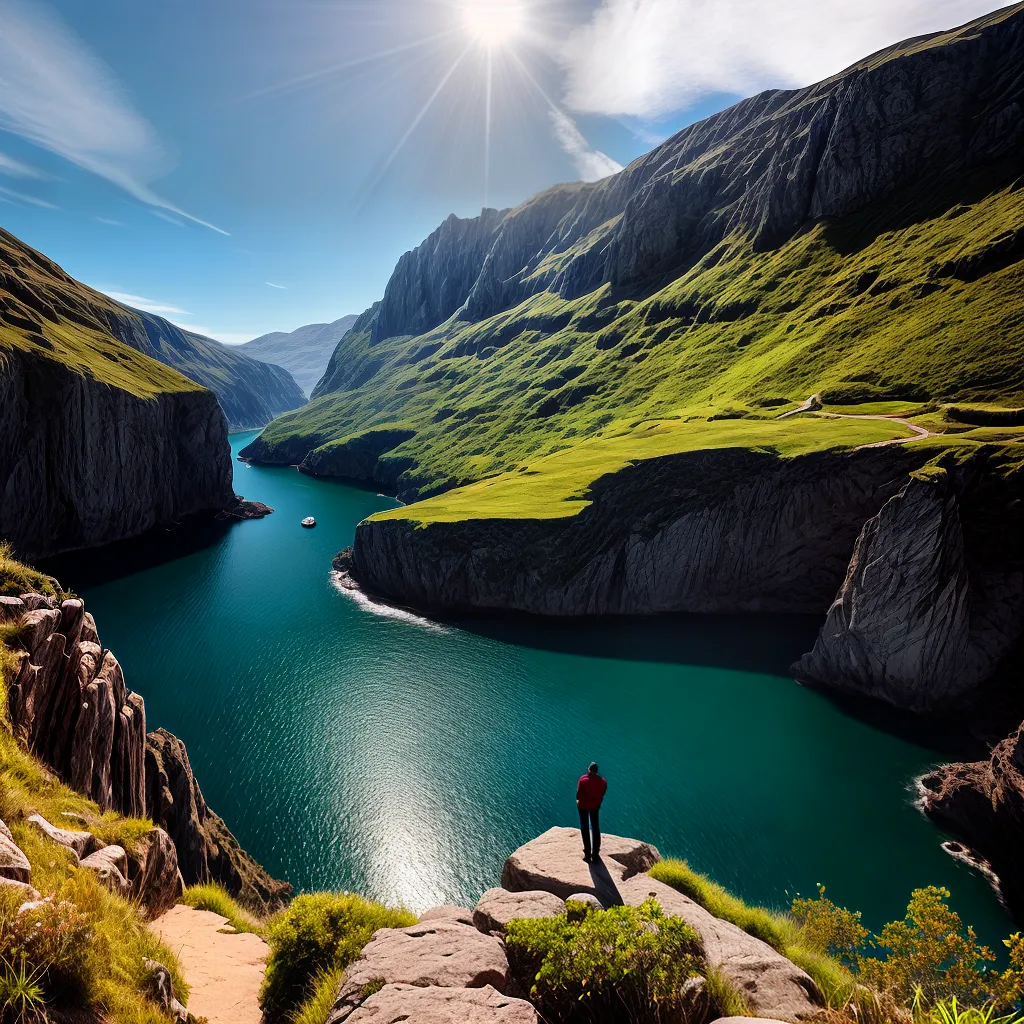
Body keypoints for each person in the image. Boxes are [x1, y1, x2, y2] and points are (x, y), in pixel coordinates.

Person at [576, 762, 607, 862]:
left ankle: (587, 855)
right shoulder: (603, 781)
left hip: (583, 806)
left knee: (585, 828)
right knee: (595, 828)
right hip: (595, 806)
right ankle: (596, 855)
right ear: (597, 771)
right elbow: (602, 794)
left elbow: (578, 795)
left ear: (589, 769)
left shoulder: (583, 780)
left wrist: (578, 802)